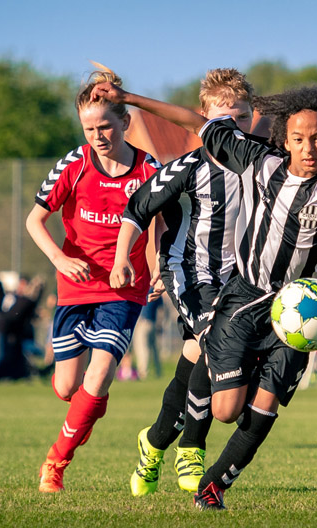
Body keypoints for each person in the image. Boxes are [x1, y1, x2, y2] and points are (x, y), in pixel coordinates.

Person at [95, 82, 317, 510]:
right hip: (243, 300)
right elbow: (198, 123)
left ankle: (212, 487)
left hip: (300, 312)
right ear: (285, 139)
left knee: (265, 406)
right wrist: (130, 99)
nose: (309, 148)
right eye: (299, 138)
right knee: (226, 410)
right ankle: (180, 434)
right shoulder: (259, 160)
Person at [93, 68, 257, 496]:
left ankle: (153, 443)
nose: (232, 127)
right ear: (203, 118)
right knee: (212, 344)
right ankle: (191, 448)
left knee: (194, 358)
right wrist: (121, 259)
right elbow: (137, 209)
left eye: (241, 117)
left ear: (252, 117)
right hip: (190, 273)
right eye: (221, 119)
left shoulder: (261, 163)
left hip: (238, 281)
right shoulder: (187, 167)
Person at [25, 64, 161, 493]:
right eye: (89, 129)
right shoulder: (75, 163)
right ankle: (88, 404)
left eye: (105, 126)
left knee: (98, 376)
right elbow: (34, 220)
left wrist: (158, 266)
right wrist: (60, 260)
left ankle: (55, 463)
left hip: (124, 288)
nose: (98, 136)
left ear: (125, 122)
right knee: (69, 388)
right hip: (76, 284)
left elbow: (162, 224)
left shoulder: (149, 169)